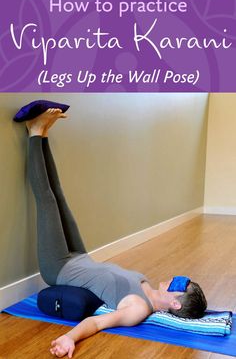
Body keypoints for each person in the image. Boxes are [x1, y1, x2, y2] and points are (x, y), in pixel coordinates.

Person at [26, 109, 207, 358]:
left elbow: (97, 323)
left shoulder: (138, 309)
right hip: (80, 256)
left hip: (58, 267)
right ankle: (43, 134)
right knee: (58, 194)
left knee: (46, 201)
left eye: (180, 285)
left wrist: (69, 338)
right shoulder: (147, 285)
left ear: (175, 303)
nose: (178, 278)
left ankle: (34, 131)